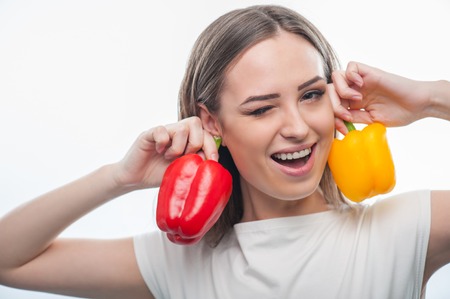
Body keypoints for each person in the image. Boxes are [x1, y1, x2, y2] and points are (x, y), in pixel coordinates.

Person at [0, 4, 449, 299]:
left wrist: (428, 99)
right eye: (261, 109)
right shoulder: (177, 264)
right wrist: (119, 178)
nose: (297, 128)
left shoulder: (404, 231)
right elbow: (7, 260)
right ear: (212, 122)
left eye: (311, 95)